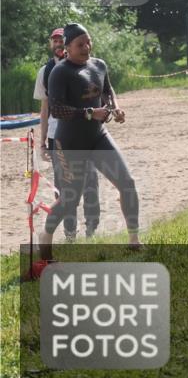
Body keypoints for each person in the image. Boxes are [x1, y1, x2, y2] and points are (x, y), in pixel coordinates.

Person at [37, 23, 139, 258]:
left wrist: (116, 108)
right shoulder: (59, 72)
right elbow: (57, 109)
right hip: (70, 142)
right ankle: (46, 236)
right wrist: (90, 113)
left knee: (127, 182)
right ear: (68, 48)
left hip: (98, 136)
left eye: (88, 42)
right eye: (80, 44)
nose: (86, 47)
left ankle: (134, 239)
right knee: (70, 199)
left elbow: (107, 91)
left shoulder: (99, 65)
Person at [33, 27, 100, 240]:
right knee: (64, 190)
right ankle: (70, 234)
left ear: (69, 43)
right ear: (51, 44)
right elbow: (44, 110)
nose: (58, 44)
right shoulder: (45, 71)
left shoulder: (87, 66)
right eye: (54, 40)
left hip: (85, 135)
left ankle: (92, 232)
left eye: (61, 39)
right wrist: (42, 142)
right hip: (57, 138)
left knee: (90, 183)